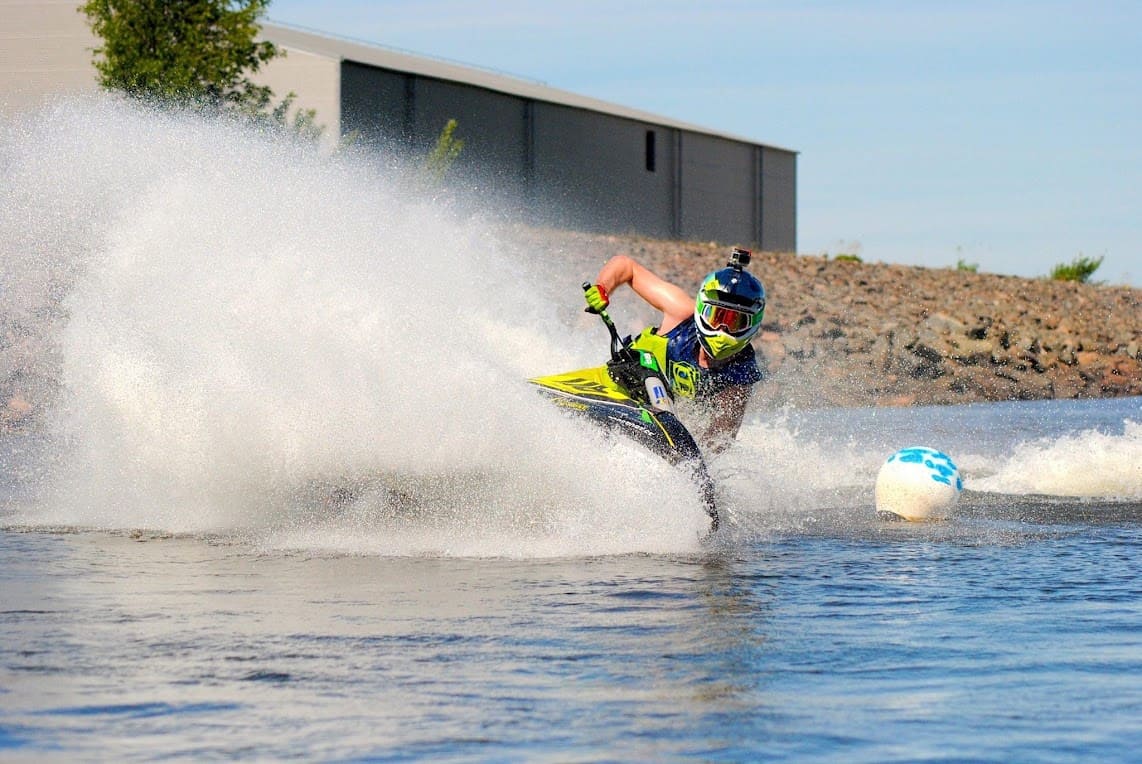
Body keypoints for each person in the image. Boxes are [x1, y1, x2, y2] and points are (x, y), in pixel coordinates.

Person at [583, 247, 766, 452]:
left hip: (654, 426)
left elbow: (719, 441)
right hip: (608, 384)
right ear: (702, 309)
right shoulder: (681, 312)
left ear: (753, 323)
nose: (722, 330)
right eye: (717, 317)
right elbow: (626, 266)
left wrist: (690, 464)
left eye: (736, 322)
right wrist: (602, 288)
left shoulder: (741, 373)